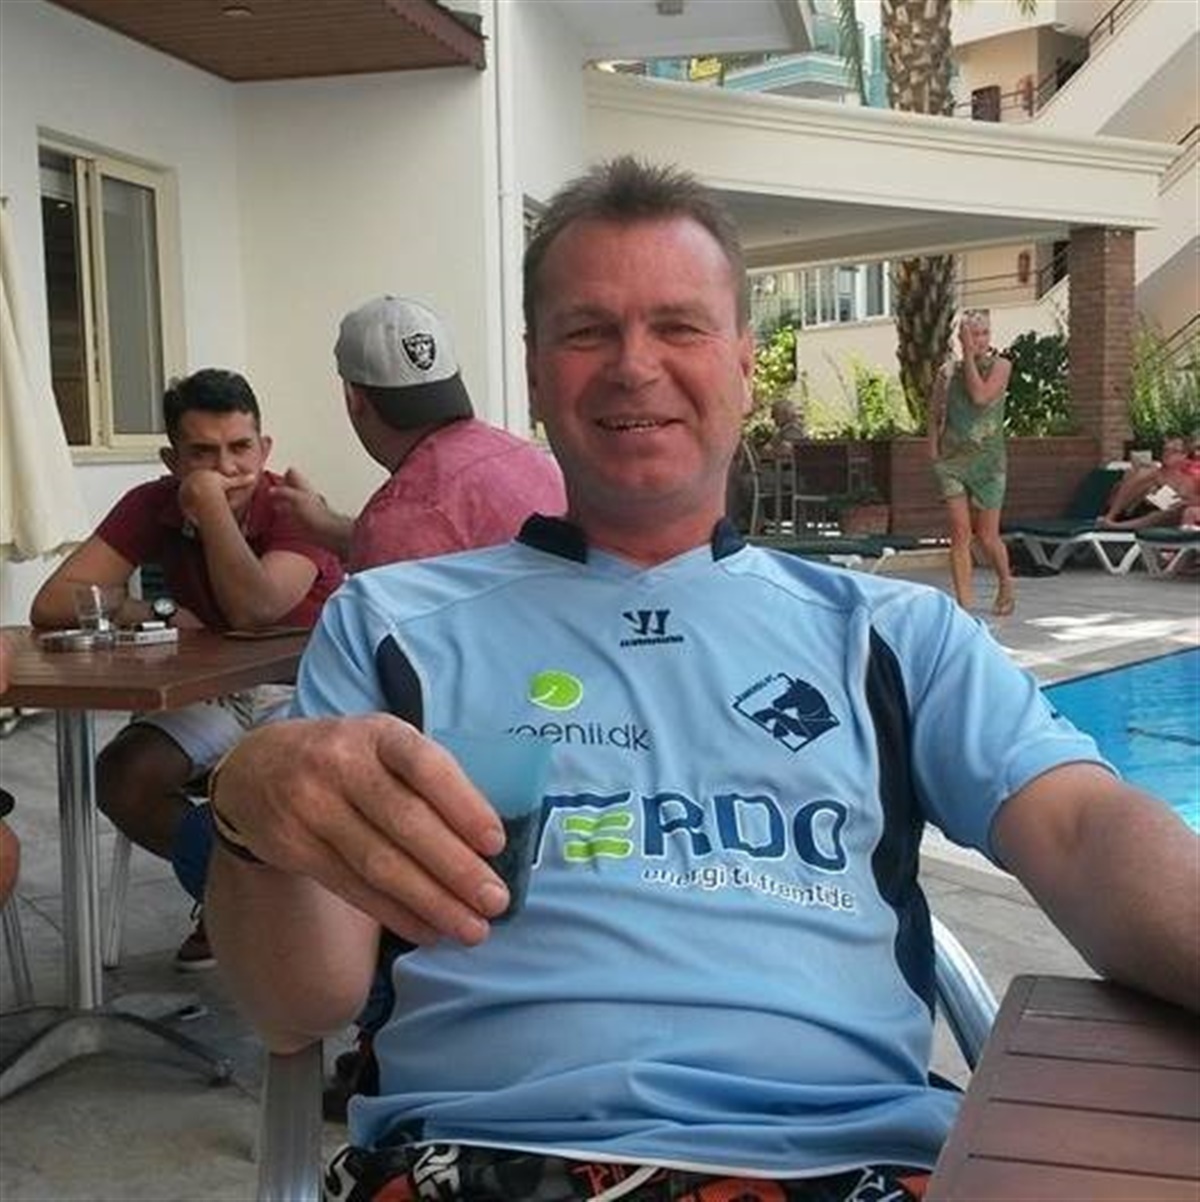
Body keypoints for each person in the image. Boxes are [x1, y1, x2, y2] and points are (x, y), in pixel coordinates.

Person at [206, 159, 1198, 1202]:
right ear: (535, 372)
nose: (635, 366)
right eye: (589, 330)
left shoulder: (891, 635)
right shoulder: (392, 629)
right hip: (491, 1159)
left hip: (838, 1166)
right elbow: (296, 1003)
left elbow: (1084, 831)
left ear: (743, 364)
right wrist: (247, 812)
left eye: (678, 326)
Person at [30, 368, 344, 968]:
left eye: (240, 448)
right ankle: (227, 894)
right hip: (214, 693)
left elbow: (254, 609)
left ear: (265, 448)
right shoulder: (152, 504)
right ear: (171, 460)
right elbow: (52, 602)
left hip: (302, 691)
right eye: (202, 454)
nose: (226, 468)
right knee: (124, 775)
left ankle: (269, 910)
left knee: (274, 786)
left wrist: (208, 505)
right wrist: (153, 610)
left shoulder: (294, 508)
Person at [270, 295, 565, 573]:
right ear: (455, 377)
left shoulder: (402, 515)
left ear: (353, 398)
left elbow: (409, 537)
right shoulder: (524, 456)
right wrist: (328, 527)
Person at [929, 310, 1016, 616]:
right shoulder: (947, 372)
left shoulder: (1001, 366)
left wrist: (967, 354)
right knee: (960, 533)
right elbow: (934, 414)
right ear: (960, 336)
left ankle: (1005, 583)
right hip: (952, 463)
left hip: (989, 464)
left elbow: (980, 397)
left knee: (987, 536)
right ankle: (964, 605)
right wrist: (933, 454)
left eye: (984, 333)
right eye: (972, 334)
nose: (979, 340)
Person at [1097, 435, 1200, 530]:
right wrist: (1110, 516)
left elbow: (1194, 500)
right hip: (1135, 511)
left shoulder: (1191, 479)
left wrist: (1185, 501)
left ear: (1184, 455)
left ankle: (1117, 526)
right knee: (1144, 477)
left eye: (1174, 451)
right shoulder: (1154, 473)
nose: (1167, 453)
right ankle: (1111, 521)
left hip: (1165, 517)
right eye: (1165, 450)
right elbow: (1126, 489)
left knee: (1172, 512)